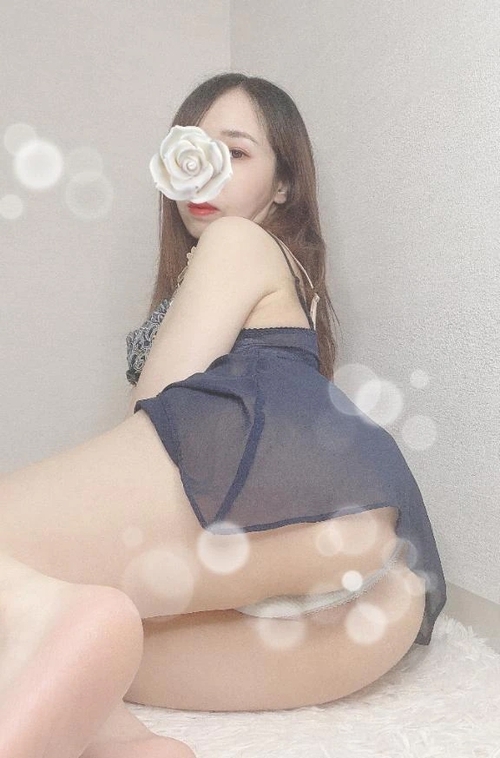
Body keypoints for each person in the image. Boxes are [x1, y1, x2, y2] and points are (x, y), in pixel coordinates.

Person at [0, 72, 446, 757]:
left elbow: (157, 408)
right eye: (189, 148)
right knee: (97, 649)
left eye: (234, 152)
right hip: (369, 586)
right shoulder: (288, 281)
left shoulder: (237, 242)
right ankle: (128, 744)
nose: (202, 170)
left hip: (278, 500)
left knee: (36, 579)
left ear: (284, 184)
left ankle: (63, 611)